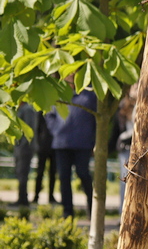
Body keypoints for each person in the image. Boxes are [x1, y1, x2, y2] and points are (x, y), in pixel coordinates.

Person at [44, 84, 99, 219]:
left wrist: (95, 140)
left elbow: (98, 119)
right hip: (62, 143)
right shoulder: (57, 92)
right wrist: (56, 130)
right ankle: (67, 213)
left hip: (83, 143)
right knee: (63, 178)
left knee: (83, 174)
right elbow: (48, 114)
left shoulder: (90, 93)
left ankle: (93, 210)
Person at [110, 92, 135, 211]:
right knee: (125, 181)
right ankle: (123, 211)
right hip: (125, 150)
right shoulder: (121, 111)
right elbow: (115, 132)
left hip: (141, 151)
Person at [12, 102, 38, 208]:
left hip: (25, 148)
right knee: (20, 173)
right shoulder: (22, 108)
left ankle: (23, 199)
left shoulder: (27, 109)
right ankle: (22, 198)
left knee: (22, 174)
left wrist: (22, 146)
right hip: (20, 148)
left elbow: (29, 129)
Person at [33, 107, 56, 206]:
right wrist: (37, 143)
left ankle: (51, 196)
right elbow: (37, 128)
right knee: (40, 172)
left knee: (53, 173)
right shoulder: (41, 110)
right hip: (43, 146)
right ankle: (36, 195)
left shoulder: (57, 109)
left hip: (54, 145)